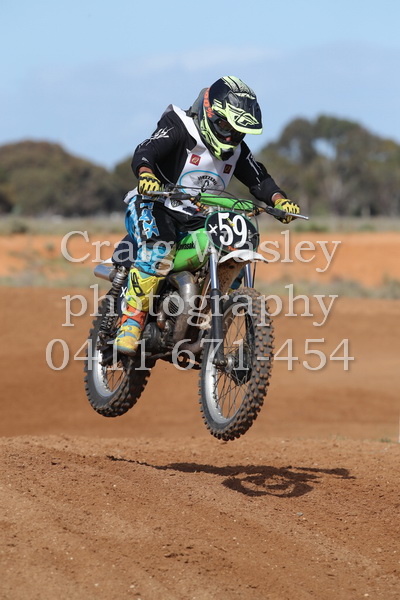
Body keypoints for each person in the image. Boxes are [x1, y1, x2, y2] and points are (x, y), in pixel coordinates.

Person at [115, 75, 300, 355]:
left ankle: (210, 321)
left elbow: (259, 179)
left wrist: (279, 201)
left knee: (236, 244)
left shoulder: (237, 150)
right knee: (159, 249)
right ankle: (131, 322)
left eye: (237, 131)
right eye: (225, 126)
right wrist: (146, 174)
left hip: (198, 216)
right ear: (209, 113)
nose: (230, 136)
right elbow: (146, 150)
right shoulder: (180, 127)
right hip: (155, 203)